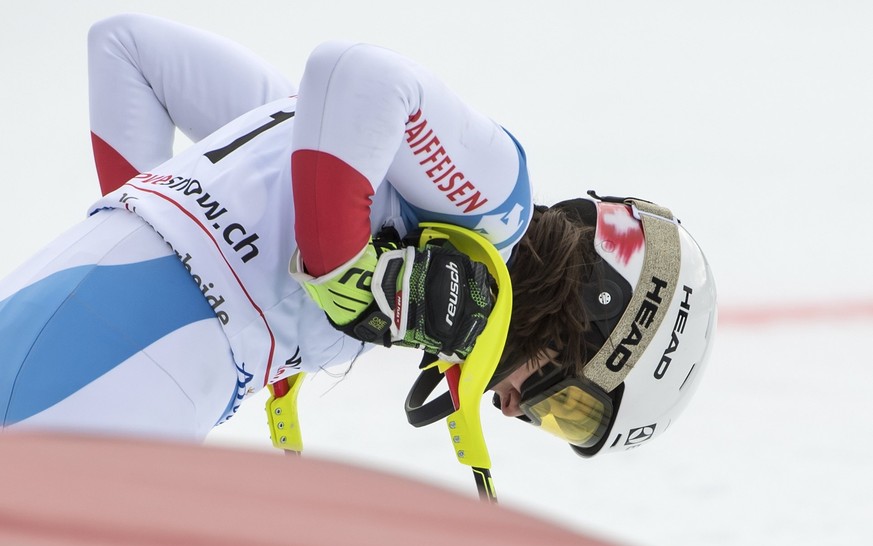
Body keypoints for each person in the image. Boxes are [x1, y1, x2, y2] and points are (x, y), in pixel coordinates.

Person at [0, 14, 716, 458]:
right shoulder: (498, 203)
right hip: (122, 372)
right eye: (568, 409)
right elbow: (358, 71)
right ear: (598, 316)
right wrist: (346, 271)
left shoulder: (325, 160)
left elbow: (126, 49)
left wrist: (156, 224)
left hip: (70, 317)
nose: (513, 411)